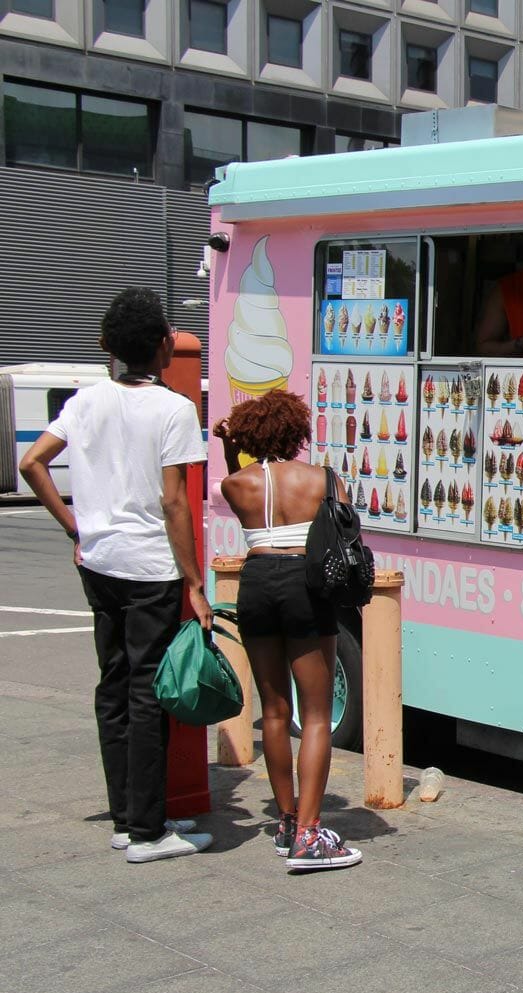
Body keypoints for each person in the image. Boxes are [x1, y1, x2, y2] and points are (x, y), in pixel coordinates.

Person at [19, 287, 214, 863]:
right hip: (150, 566)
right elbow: (175, 502)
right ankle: (149, 832)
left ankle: (128, 819)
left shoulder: (84, 401)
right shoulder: (175, 409)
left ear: (106, 346)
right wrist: (195, 583)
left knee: (113, 684)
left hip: (99, 560)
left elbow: (33, 462)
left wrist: (75, 527)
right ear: (162, 347)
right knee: (148, 691)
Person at [214, 390, 363, 870]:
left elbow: (242, 477)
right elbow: (347, 528)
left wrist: (230, 444)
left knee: (274, 711)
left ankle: (284, 821)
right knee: (315, 713)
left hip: (255, 583)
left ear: (249, 434)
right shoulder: (322, 478)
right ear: (297, 431)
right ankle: (309, 836)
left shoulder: (237, 485)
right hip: (305, 584)